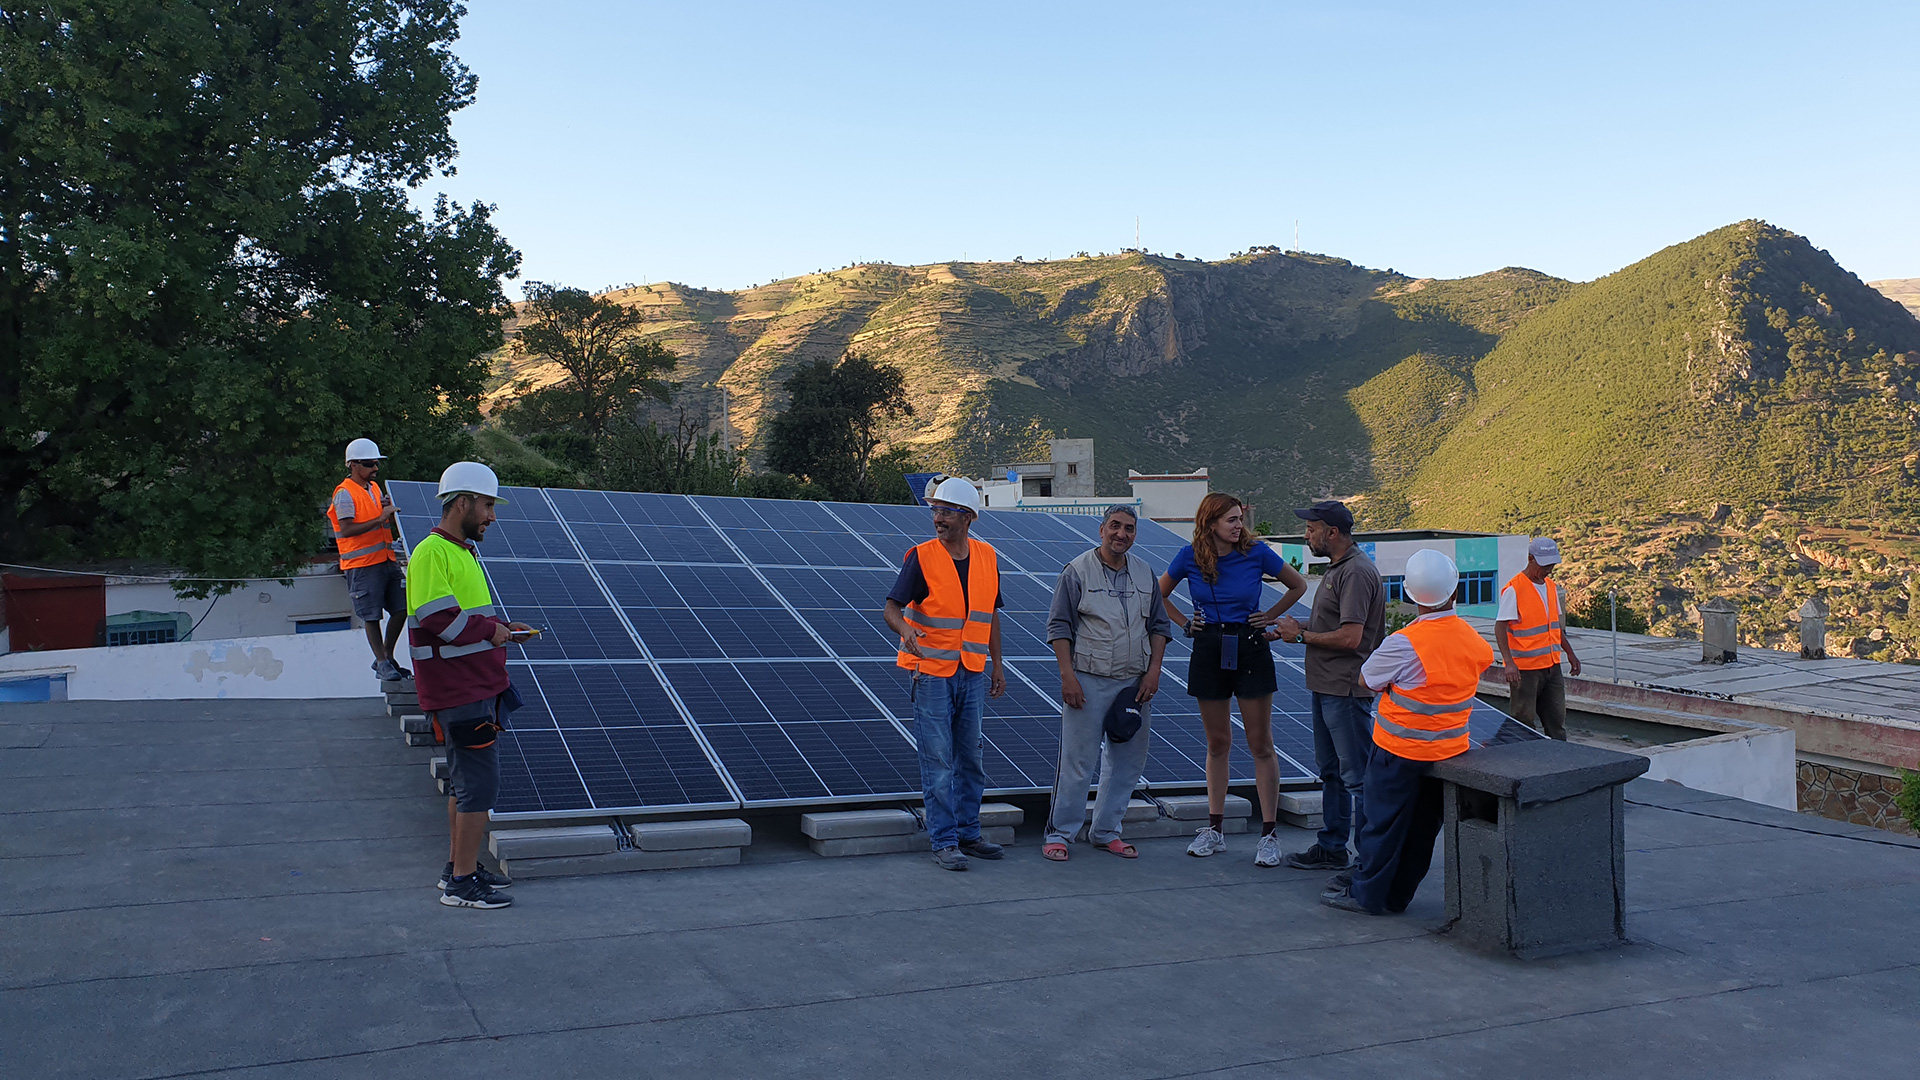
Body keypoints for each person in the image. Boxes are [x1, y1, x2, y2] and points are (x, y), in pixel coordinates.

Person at [1324, 549, 1493, 916]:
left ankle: (1367, 896)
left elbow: (1367, 679)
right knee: (1421, 831)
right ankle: (1398, 897)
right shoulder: (1472, 641)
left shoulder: (1403, 643)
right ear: (1454, 593)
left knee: (1380, 825)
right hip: (1449, 754)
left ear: (1410, 595)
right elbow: (1477, 665)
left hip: (1397, 751)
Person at [407, 461, 533, 909]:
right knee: (478, 788)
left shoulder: (460, 552)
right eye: (486, 505)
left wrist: (500, 626)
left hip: (474, 687)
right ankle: (462, 884)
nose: (492, 516)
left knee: (465, 786)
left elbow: (466, 615)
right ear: (461, 503)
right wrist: (489, 631)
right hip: (460, 692)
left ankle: (457, 868)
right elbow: (439, 620)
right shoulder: (431, 552)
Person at [1159, 493, 1308, 866]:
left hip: (1251, 645)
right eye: (1230, 520)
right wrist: (1185, 623)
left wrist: (1268, 615)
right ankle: (1215, 829)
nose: (1238, 525)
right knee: (1217, 743)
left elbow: (1298, 585)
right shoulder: (1189, 556)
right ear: (1210, 523)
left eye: (1240, 518)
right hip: (1209, 647)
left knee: (1260, 744)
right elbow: (1157, 594)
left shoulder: (1256, 553)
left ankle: (1269, 834)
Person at [881, 475, 1008, 872]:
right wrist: (905, 631)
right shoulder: (922, 556)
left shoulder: (987, 557)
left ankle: (969, 833)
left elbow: (990, 617)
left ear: (967, 517)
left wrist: (997, 664)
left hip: (971, 671)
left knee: (971, 757)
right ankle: (945, 840)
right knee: (938, 760)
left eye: (947, 512)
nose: (938, 518)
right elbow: (891, 609)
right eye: (935, 510)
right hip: (932, 673)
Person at [1041, 505, 1174, 861]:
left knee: (1128, 761)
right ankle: (1061, 833)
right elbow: (1059, 627)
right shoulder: (1076, 571)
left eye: (1129, 529)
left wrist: (1154, 671)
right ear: (1101, 530)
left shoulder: (1146, 575)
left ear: (1135, 535)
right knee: (1077, 761)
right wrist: (1067, 677)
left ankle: (1106, 831)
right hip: (1087, 678)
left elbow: (1160, 628)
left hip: (1134, 682)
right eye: (1115, 526)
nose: (1121, 534)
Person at [1271, 500, 1386, 873]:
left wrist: (1301, 639)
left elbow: (1352, 638)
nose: (1307, 535)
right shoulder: (1339, 569)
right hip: (1327, 687)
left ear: (1332, 533)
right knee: (1332, 771)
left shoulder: (1355, 573)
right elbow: (1333, 624)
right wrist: (1297, 628)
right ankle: (1332, 847)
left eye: (1312, 529)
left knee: (1357, 778)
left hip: (1346, 690)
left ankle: (1369, 861)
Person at [327, 438, 408, 681]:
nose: (375, 468)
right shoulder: (344, 494)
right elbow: (348, 529)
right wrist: (381, 515)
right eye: (369, 463)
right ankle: (383, 663)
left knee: (403, 607)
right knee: (371, 616)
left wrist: (385, 509)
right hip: (362, 566)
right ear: (353, 465)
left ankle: (387, 656)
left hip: (386, 559)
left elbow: (379, 517)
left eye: (376, 463)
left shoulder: (373, 489)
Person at [1496, 537, 1582, 740]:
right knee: (1524, 720)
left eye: (1552, 564)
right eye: (1545, 565)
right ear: (1530, 559)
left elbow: (1555, 627)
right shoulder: (1514, 589)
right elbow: (1500, 627)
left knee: (1556, 720)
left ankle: (1559, 759)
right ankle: (1527, 762)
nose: (1549, 569)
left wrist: (1570, 653)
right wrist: (1509, 663)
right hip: (1525, 670)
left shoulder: (1551, 587)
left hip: (1552, 666)